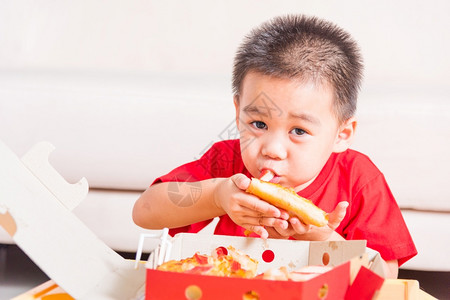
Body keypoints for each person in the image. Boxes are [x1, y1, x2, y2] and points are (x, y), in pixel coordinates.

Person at [133, 14, 417, 278]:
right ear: (238, 112)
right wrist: (217, 196)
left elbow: (385, 275)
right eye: (258, 124)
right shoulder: (226, 161)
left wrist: (320, 237)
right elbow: (145, 211)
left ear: (342, 134)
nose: (272, 149)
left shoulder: (359, 178)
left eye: (298, 130)